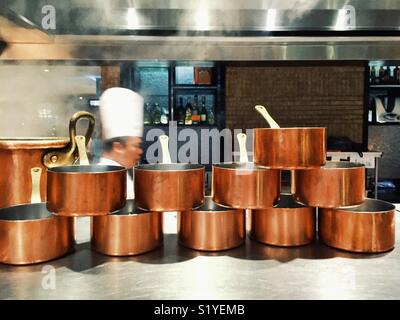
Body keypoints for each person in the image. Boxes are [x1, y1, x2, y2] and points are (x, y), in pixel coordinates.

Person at [98, 87, 144, 199]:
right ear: (118, 147)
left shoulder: (120, 173)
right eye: (136, 145)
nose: (140, 151)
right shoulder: (109, 179)